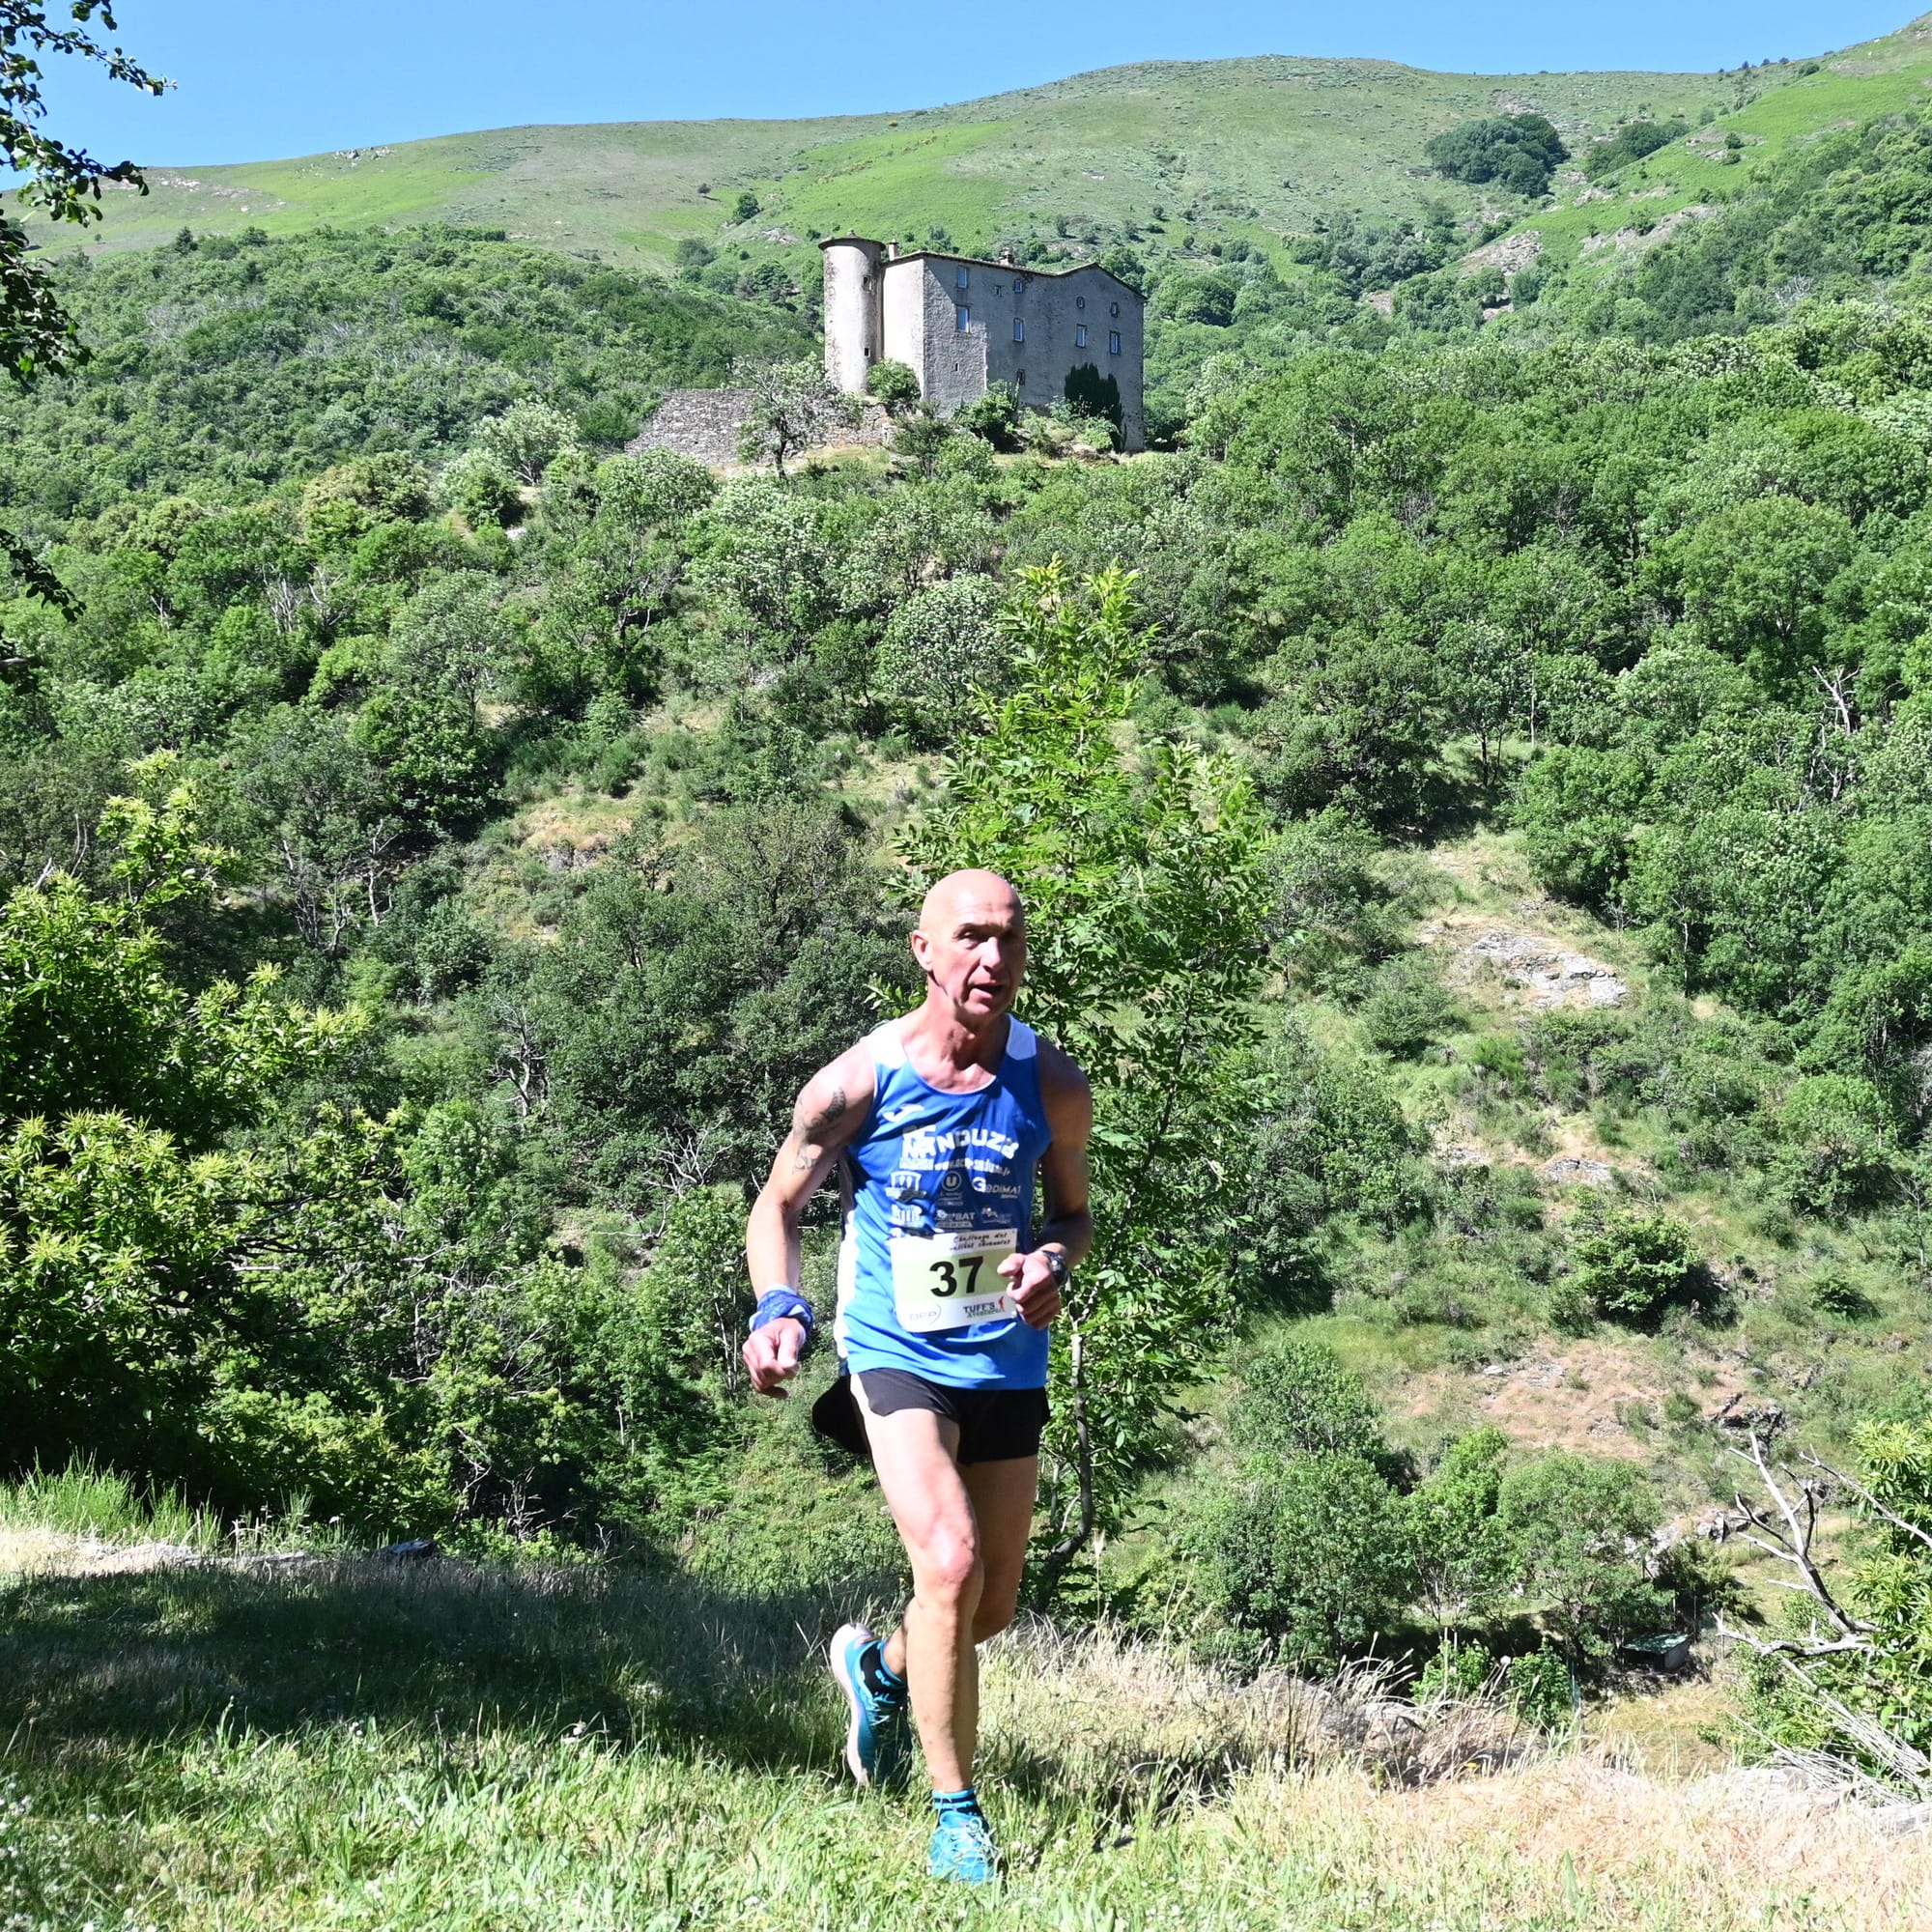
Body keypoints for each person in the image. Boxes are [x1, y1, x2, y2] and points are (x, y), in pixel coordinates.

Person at [741, 867, 1093, 1885]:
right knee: (946, 1562)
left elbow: (1072, 1213)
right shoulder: (857, 1081)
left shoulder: (1051, 1082)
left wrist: (1054, 1261)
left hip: (1004, 1354)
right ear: (923, 950)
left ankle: (878, 1668)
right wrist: (778, 1309)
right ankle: (956, 1815)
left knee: (987, 1607)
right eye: (970, 937)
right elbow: (776, 1205)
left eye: (1010, 940)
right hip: (895, 1352)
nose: (991, 958)